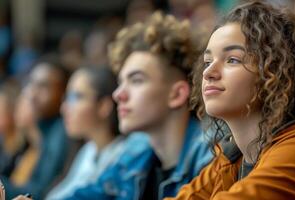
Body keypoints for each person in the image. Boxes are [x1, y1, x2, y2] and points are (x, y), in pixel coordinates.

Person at [167, 1, 295, 199]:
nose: (208, 72)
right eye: (207, 61)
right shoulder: (232, 158)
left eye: (232, 59)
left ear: (275, 73)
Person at [61, 12, 213, 200]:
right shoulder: (135, 151)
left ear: (177, 94)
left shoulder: (209, 154)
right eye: (120, 82)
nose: (118, 94)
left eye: (136, 80)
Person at [45, 66, 124, 199]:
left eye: (75, 97)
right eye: (66, 98)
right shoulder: (88, 150)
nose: (65, 108)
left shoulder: (124, 156)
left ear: (103, 106)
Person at [1, 55, 72, 199]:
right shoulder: (45, 131)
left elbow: (38, 192)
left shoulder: (61, 132)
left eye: (43, 86)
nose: (32, 93)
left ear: (63, 93)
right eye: (31, 83)